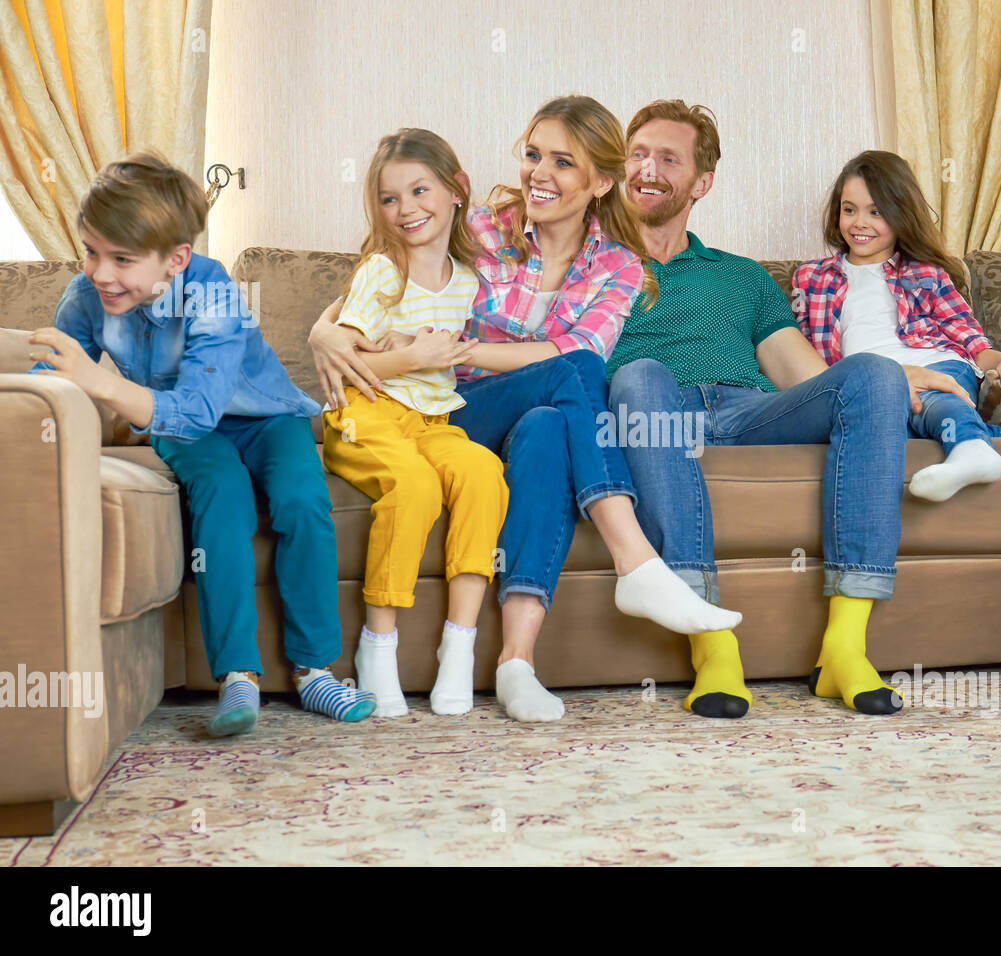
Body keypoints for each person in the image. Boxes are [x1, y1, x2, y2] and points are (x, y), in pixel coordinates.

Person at [308, 96, 741, 722]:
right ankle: (634, 559)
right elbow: (381, 276)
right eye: (534, 154)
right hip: (452, 411)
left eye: (564, 162)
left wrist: (469, 345)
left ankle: (516, 662)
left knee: (549, 418)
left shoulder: (619, 265)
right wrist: (325, 331)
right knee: (575, 373)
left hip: (532, 418)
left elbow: (580, 348)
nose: (539, 172)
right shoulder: (484, 228)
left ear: (601, 182)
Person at [607, 101, 972, 719]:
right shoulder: (593, 268)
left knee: (874, 375)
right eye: (638, 154)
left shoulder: (743, 277)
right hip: (652, 413)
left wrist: (895, 373)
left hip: (747, 413)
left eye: (668, 158)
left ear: (701, 183)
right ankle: (713, 647)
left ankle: (844, 650)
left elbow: (804, 374)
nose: (647, 168)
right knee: (642, 375)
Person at [28, 153, 375, 736]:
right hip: (184, 431)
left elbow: (199, 408)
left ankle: (316, 671)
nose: (100, 273)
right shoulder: (84, 297)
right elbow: (50, 382)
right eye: (91, 251)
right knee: (222, 495)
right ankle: (237, 674)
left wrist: (102, 384)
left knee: (302, 499)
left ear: (177, 259)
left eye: (122, 259)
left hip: (265, 418)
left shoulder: (213, 293)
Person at [322, 129, 509, 718]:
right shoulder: (383, 270)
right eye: (389, 198)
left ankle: (459, 647)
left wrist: (421, 350)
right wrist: (414, 354)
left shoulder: (471, 281)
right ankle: (376, 648)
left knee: (482, 472)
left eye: (419, 190)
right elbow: (347, 355)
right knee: (415, 486)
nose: (406, 210)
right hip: (366, 411)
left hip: (432, 419)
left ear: (458, 192)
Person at [792, 150, 1001, 503]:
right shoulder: (812, 277)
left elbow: (966, 335)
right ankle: (990, 436)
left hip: (936, 364)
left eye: (876, 212)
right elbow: (803, 349)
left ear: (901, 215)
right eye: (849, 209)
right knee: (875, 427)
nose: (860, 222)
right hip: (870, 380)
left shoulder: (926, 273)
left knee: (932, 400)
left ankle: (971, 449)